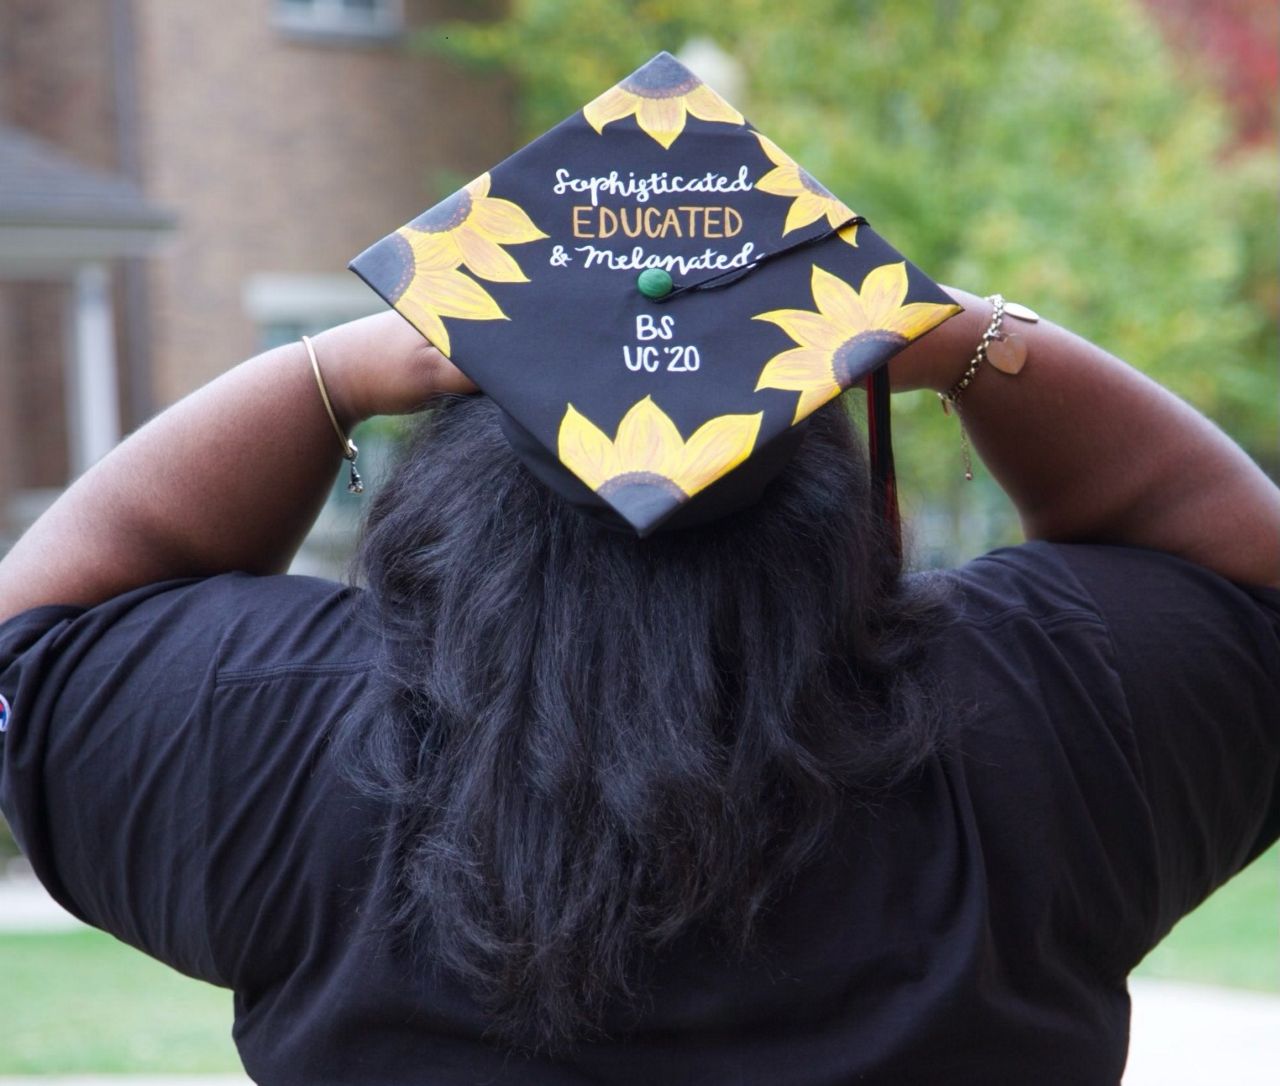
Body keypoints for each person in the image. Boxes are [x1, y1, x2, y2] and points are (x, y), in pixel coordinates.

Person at [1, 284, 1277, 1084]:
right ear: (848, 508)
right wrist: (955, 335)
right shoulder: (1041, 702)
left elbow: (42, 630)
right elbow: (1245, 578)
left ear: (450, 510)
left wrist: (335, 368)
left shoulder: (283, 732)